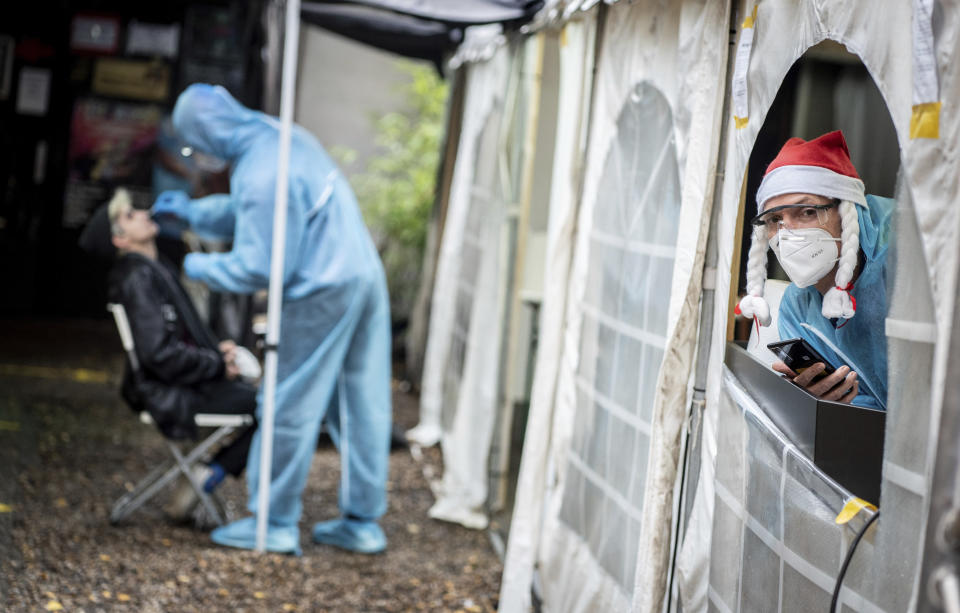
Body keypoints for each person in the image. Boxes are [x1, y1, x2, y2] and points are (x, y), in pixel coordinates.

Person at [152, 84, 392, 554]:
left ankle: (273, 522)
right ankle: (363, 522)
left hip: (319, 287)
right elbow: (258, 211)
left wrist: (196, 266)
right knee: (362, 403)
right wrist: (196, 214)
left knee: (288, 403)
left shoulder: (260, 171)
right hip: (362, 272)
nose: (194, 155)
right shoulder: (281, 137)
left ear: (204, 134)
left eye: (191, 145)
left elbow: (260, 265)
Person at [106, 188, 258, 519]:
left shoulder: (154, 270)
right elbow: (159, 355)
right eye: (130, 216)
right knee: (270, 406)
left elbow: (174, 340)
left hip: (178, 383)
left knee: (268, 400)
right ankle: (209, 474)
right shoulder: (139, 278)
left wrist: (217, 354)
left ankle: (202, 477)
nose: (144, 215)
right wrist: (217, 365)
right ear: (120, 240)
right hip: (167, 391)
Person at [737, 130, 892, 410]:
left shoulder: (901, 262)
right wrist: (820, 402)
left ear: (846, 213)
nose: (787, 235)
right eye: (774, 219)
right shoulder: (797, 308)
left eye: (806, 212)